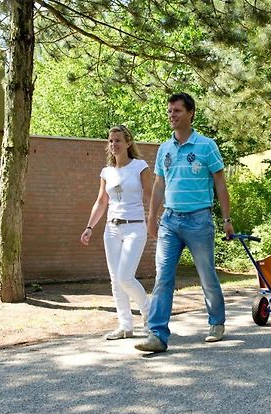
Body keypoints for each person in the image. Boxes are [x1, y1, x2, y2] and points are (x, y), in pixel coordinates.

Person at [135, 92, 234, 354]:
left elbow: (220, 184)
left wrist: (227, 219)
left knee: (206, 275)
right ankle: (156, 334)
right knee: (163, 278)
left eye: (177, 111)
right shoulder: (164, 149)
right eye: (170, 111)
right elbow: (158, 185)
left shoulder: (206, 146)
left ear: (190, 113)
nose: (172, 115)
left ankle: (216, 322)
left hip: (199, 220)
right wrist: (151, 218)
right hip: (170, 221)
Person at [80, 125, 152, 339]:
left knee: (125, 277)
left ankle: (150, 315)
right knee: (115, 279)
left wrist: (157, 219)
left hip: (135, 226)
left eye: (118, 140)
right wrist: (89, 227)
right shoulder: (107, 172)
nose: (114, 144)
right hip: (111, 228)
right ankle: (125, 326)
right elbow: (102, 201)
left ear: (128, 143)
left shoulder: (140, 166)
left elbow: (149, 196)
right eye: (111, 141)